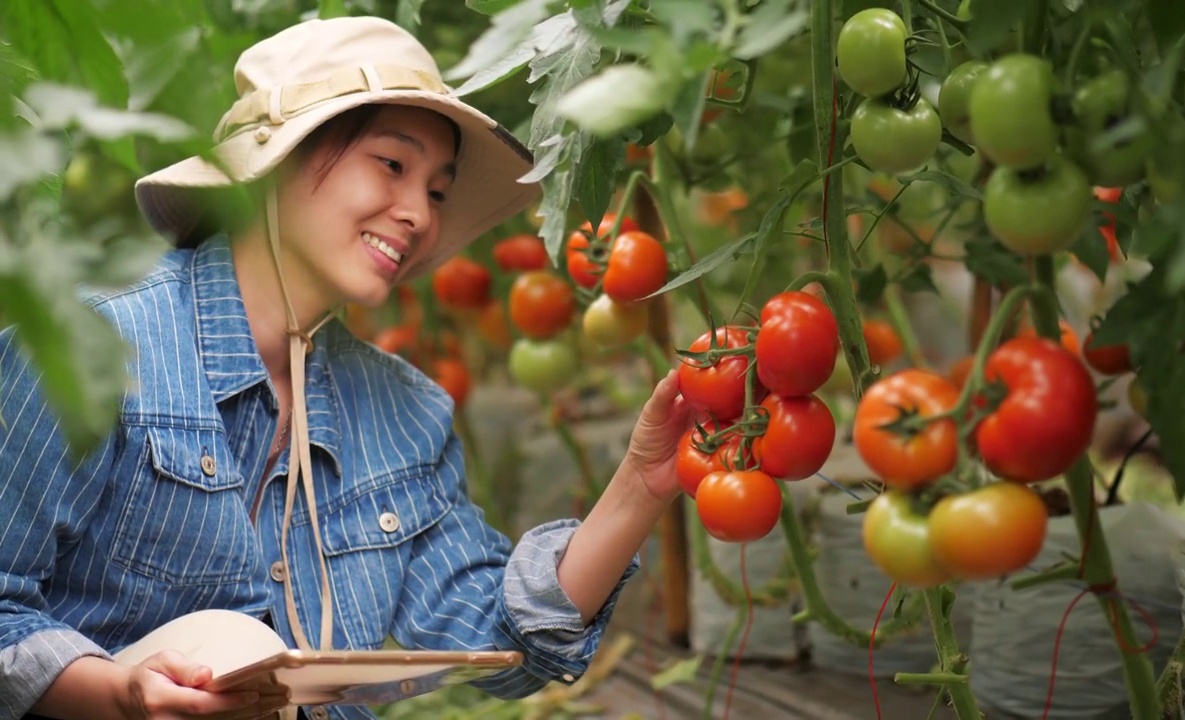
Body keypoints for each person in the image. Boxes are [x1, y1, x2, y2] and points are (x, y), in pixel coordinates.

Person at [0, 16, 690, 720]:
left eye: (438, 190)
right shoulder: (95, 346)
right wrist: (118, 694)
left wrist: (640, 485)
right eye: (392, 164)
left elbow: (501, 643)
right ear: (279, 159)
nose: (419, 213)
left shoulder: (406, 414)